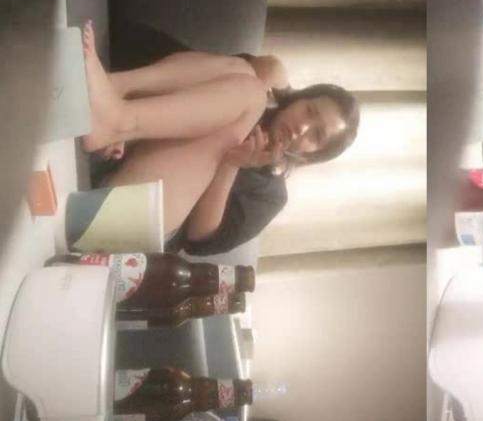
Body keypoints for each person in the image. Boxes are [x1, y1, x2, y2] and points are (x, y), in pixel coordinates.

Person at [82, 21, 360, 256]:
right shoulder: (247, 87)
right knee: (246, 77)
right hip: (126, 161)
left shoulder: (271, 193)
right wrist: (277, 83)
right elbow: (264, 70)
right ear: (299, 98)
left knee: (250, 92)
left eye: (316, 136)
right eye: (309, 111)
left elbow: (200, 239)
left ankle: (118, 120)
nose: (302, 128)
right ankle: (115, 96)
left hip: (135, 218)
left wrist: (231, 164)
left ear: (311, 156)